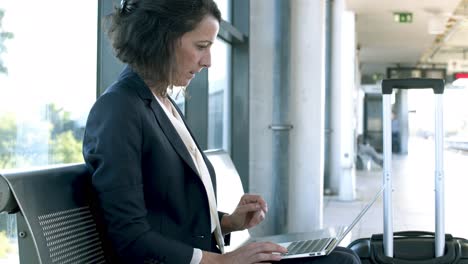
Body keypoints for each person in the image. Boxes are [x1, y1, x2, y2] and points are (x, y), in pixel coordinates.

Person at [82, 0, 361, 263]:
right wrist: (222, 261)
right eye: (201, 46)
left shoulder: (161, 102)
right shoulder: (118, 110)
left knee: (345, 255)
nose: (208, 61)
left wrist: (228, 222)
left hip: (210, 256)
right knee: (341, 260)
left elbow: (166, 214)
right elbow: (129, 236)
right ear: (161, 39)